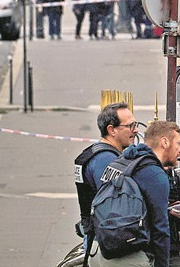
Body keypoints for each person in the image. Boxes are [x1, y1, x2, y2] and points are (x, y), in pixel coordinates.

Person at [91, 120, 180, 267]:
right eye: (178, 143)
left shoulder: (120, 162)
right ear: (165, 142)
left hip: (99, 251)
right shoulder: (154, 173)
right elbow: (161, 228)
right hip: (128, 256)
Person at [75, 103, 140, 254]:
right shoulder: (106, 160)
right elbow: (117, 205)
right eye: (130, 126)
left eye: (135, 125)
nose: (136, 130)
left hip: (97, 236)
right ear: (111, 130)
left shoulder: (94, 153)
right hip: (106, 241)